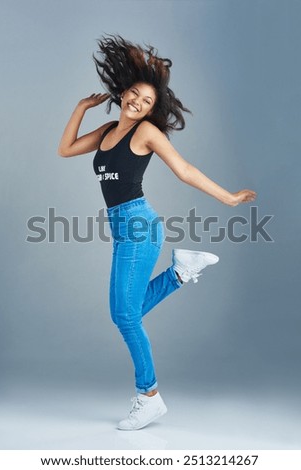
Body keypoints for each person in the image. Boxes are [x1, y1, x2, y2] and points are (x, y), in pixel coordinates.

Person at [58, 35, 257, 431]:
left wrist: (229, 198)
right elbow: (65, 149)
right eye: (134, 94)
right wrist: (81, 108)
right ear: (123, 92)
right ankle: (180, 272)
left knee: (125, 316)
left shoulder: (146, 134)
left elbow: (184, 171)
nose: (138, 103)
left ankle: (148, 396)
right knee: (125, 313)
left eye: (147, 101)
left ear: (153, 108)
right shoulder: (106, 130)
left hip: (139, 225)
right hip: (123, 228)